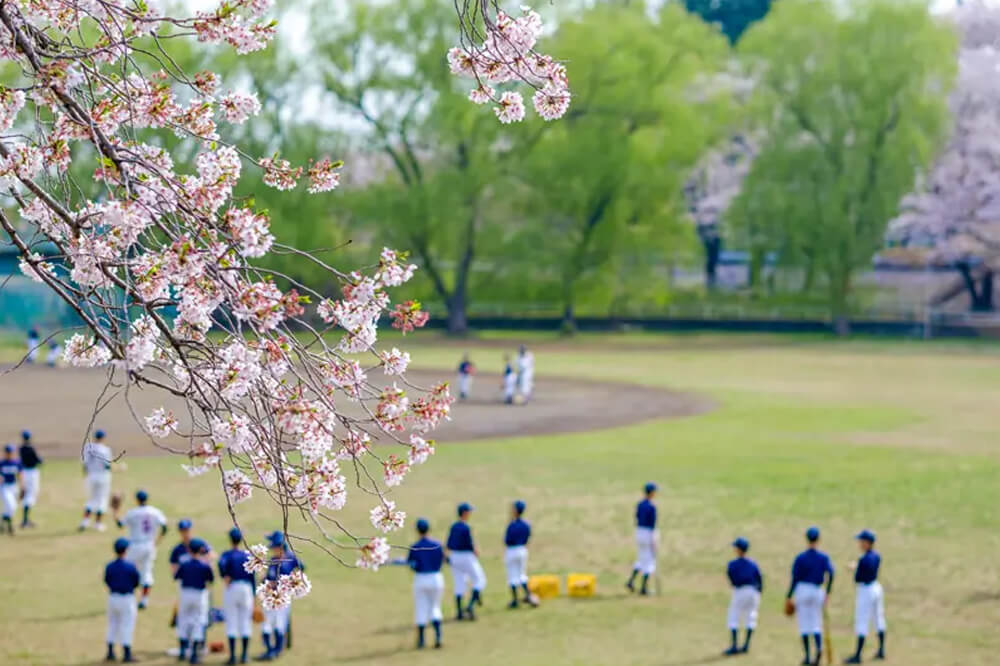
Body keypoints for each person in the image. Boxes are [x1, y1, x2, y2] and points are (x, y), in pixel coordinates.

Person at [787, 526, 835, 666]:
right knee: (816, 623)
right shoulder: (823, 557)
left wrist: (789, 595)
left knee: (804, 624)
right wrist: (828, 592)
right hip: (817, 590)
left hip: (802, 590)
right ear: (818, 540)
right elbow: (831, 574)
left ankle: (807, 656)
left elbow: (795, 579)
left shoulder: (800, 558)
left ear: (807, 539)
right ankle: (819, 650)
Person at [115, 489, 168, 610]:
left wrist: (115, 511)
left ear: (137, 500)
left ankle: (129, 596)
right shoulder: (155, 511)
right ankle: (144, 600)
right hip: (149, 545)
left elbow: (120, 524)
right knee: (146, 572)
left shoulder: (133, 513)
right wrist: (157, 541)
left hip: (134, 545)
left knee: (128, 570)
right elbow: (165, 527)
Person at [257, 530, 304, 661]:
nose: (271, 547)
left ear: (279, 546)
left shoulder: (289, 559)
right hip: (270, 597)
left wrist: (295, 579)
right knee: (266, 624)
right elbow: (269, 578)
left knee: (279, 624)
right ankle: (270, 650)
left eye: (273, 545)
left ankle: (276, 650)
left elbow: (301, 568)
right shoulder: (273, 560)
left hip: (282, 597)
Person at [844, 529, 886, 664]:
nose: (860, 544)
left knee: (862, 621)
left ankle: (857, 655)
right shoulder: (876, 556)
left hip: (865, 590)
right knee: (878, 618)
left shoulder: (863, 559)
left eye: (862, 541)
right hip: (876, 587)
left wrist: (855, 568)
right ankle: (881, 650)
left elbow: (858, 578)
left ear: (868, 543)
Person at [174, 538, 214, 664]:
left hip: (186, 593)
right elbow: (211, 579)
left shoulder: (184, 564)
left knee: (183, 620)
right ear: (201, 550)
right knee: (199, 621)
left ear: (189, 550)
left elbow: (176, 576)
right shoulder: (204, 565)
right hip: (199, 594)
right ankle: (194, 654)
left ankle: (182, 650)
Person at [219, 527, 255, 665]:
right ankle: (244, 655)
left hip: (232, 588)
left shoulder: (227, 554)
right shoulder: (248, 555)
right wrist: (253, 595)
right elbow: (253, 575)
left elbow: (221, 565)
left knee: (232, 621)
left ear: (230, 539)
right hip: (246, 588)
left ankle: (233, 657)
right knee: (245, 621)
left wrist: (225, 575)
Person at [407, 518, 445, 649]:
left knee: (421, 607)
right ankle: (438, 636)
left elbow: (411, 564)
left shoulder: (415, 546)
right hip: (436, 577)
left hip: (421, 578)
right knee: (435, 606)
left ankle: (422, 640)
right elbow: (443, 560)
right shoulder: (437, 544)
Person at [447, 502, 487, 620]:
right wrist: (476, 550)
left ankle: (459, 612)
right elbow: (471, 545)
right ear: (465, 513)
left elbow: (448, 544)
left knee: (459, 583)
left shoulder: (454, 526)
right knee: (480, 580)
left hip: (454, 556)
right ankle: (470, 606)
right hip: (466, 556)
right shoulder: (465, 527)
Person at [724, 537, 762, 656]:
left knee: (733, 616)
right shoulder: (753, 563)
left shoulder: (732, 564)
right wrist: (759, 591)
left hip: (740, 590)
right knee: (751, 617)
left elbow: (731, 579)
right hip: (753, 591)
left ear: (738, 549)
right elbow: (759, 579)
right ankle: (746, 645)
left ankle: (735, 645)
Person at [105, 537, 140, 663]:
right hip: (127, 598)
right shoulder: (131, 566)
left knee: (112, 624)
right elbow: (136, 582)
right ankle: (126, 653)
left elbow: (107, 580)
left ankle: (110, 651)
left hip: (113, 597)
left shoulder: (110, 566)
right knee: (127, 625)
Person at [504, 500, 537, 609]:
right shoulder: (526, 524)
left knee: (512, 576)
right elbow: (528, 537)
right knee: (522, 574)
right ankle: (529, 595)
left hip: (511, 550)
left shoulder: (511, 525)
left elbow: (506, 540)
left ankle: (515, 600)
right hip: (522, 550)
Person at [626, 482, 658, 595]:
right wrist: (654, 540)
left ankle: (631, 581)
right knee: (649, 560)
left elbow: (637, 517)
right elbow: (653, 524)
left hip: (639, 532)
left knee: (641, 558)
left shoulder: (640, 504)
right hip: (648, 533)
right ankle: (644, 588)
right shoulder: (652, 506)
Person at [80, 429, 112, 532]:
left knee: (91, 499)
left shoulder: (88, 447)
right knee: (102, 500)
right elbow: (107, 467)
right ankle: (98, 524)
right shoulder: (105, 450)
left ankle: (85, 521)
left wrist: (86, 475)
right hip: (103, 477)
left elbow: (84, 464)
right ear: (103, 438)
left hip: (91, 476)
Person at [18, 430, 42, 528]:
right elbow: (39, 461)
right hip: (32, 473)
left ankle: (25, 519)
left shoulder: (21, 448)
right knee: (31, 494)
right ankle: (25, 520)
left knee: (26, 493)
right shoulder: (31, 448)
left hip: (24, 472)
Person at [1, 444, 22, 535]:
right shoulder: (1, 463)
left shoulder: (17, 462)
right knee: (11, 505)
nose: (10, 454)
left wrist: (22, 487)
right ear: (5, 453)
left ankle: (3, 521)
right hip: (4, 487)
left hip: (14, 487)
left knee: (11, 508)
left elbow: (20, 474)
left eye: (11, 452)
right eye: (8, 452)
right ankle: (10, 526)